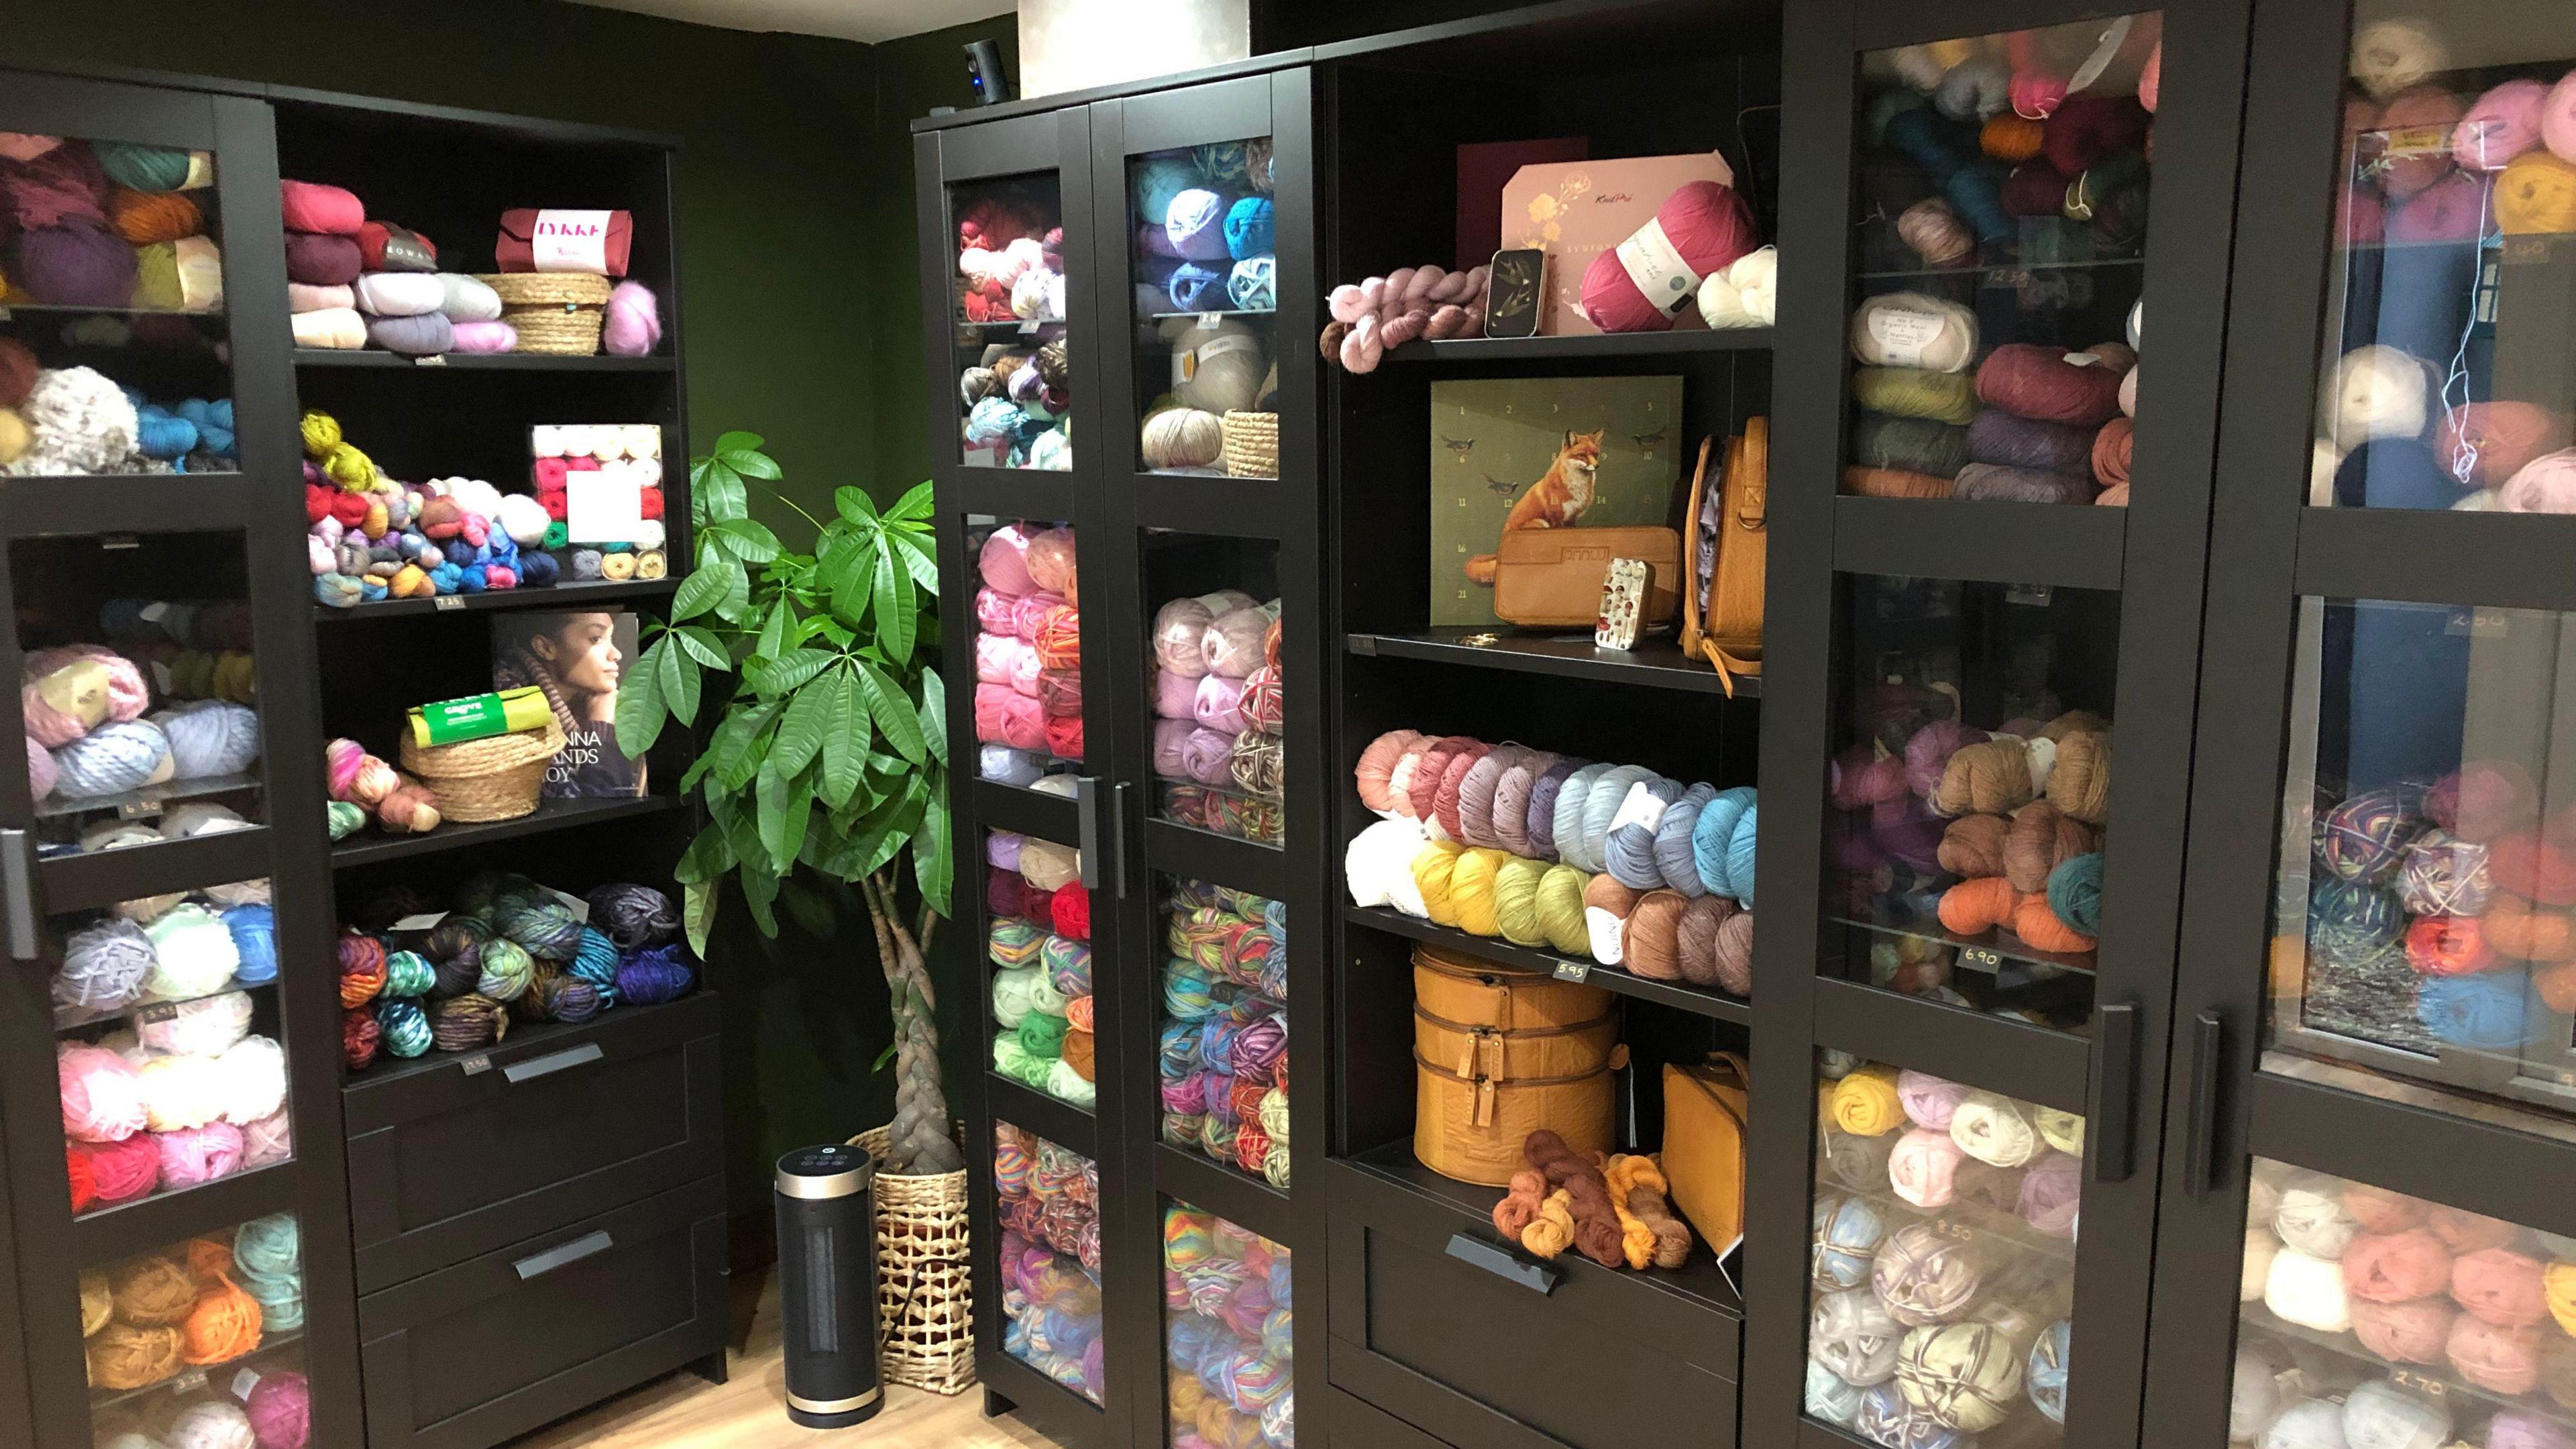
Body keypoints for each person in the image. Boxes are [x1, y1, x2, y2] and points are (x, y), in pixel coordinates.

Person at [492, 611, 644, 798]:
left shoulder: (592, 703)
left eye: (610, 639)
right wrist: (601, 730)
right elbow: (594, 810)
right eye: (596, 639)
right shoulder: (511, 702)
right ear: (546, 648)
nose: (616, 654)